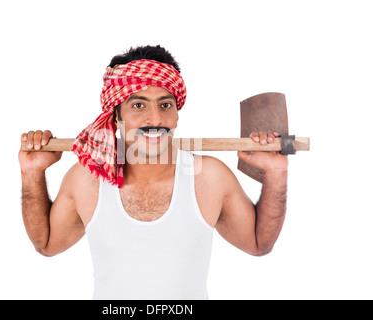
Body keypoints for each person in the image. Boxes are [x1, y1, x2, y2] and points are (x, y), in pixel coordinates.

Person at [18, 45, 288, 299]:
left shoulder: (208, 176)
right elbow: (47, 244)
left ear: (177, 114)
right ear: (116, 117)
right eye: (138, 105)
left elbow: (258, 244)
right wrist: (32, 173)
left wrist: (276, 173)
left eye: (165, 105)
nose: (156, 119)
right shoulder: (87, 179)